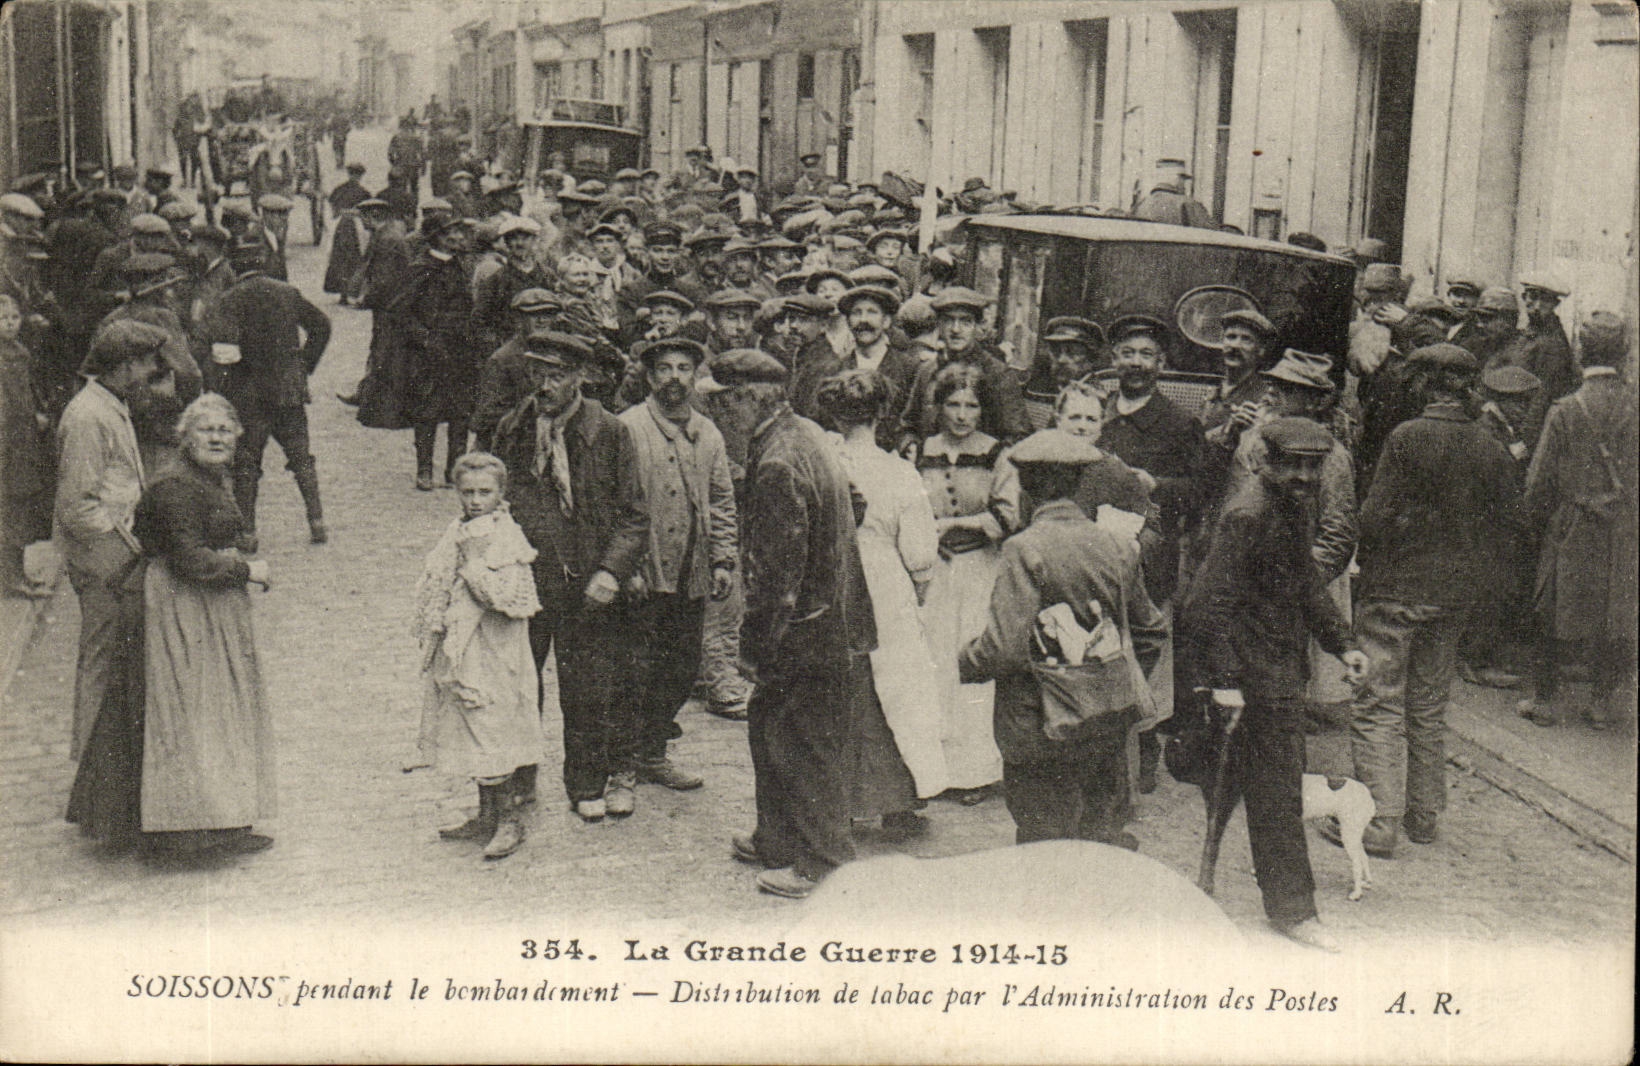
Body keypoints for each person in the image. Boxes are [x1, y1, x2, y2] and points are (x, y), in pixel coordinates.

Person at [1180, 417, 1368, 953]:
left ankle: (1284, 909)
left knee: (1269, 794)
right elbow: (1205, 605)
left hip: (1278, 675)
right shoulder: (1248, 515)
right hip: (1247, 682)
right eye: (1293, 466)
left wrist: (1343, 644)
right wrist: (1224, 681)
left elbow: (1307, 586)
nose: (1304, 477)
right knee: (1259, 793)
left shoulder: (1293, 508)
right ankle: (1284, 910)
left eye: (1313, 467)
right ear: (1266, 463)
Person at [1343, 344, 1520, 857]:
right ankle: (1423, 816)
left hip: (1396, 589)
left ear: (1422, 384)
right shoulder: (1490, 445)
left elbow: (1374, 517)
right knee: (1428, 705)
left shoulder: (1406, 437)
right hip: (1453, 595)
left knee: (1377, 702)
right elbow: (1511, 524)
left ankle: (1379, 822)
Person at [961, 428, 1169, 847]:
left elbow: (1003, 648)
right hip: (1105, 721)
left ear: (1025, 486)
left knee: (1044, 844)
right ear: (1078, 484)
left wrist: (966, 661)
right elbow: (1150, 630)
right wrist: (1108, 676)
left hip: (1038, 722)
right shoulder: (1115, 545)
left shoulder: (1024, 548)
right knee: (1098, 837)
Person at [719, 350, 872, 898]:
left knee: (807, 744)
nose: (720, 414)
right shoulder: (803, 432)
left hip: (805, 632)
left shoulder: (778, 461)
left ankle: (823, 862)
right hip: (831, 619)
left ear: (747, 399)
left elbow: (775, 576)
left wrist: (753, 649)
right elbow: (856, 503)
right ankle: (778, 839)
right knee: (772, 729)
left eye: (724, 402)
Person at [491, 332, 648, 822]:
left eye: (556, 375)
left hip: (588, 587)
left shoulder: (610, 432)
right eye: (537, 373)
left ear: (580, 377)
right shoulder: (514, 428)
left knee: (587, 689)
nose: (545, 385)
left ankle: (586, 784)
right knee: (520, 684)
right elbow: (493, 499)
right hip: (527, 582)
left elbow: (635, 516)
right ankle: (520, 776)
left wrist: (611, 571)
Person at [128, 393, 276, 860]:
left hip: (210, 607)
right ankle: (187, 829)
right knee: (192, 712)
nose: (216, 438)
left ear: (237, 436)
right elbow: (188, 559)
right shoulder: (173, 484)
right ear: (185, 437)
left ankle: (224, 817)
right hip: (183, 606)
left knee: (220, 710)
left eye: (224, 430)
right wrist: (246, 570)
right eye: (205, 429)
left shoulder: (209, 476)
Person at [58, 322, 172, 849]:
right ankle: (92, 775)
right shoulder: (87, 417)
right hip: (104, 561)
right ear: (124, 365)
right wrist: (122, 558)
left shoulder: (110, 405)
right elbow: (78, 507)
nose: (151, 372)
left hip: (115, 556)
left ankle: (104, 777)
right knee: (102, 662)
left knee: (111, 660)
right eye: (146, 362)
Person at [818, 369, 946, 827]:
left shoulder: (822, 462)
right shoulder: (898, 472)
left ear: (834, 415)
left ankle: (840, 797)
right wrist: (919, 590)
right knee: (896, 686)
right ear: (880, 415)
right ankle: (897, 798)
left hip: (832, 580)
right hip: (884, 584)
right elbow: (920, 554)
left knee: (845, 685)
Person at [618, 337, 736, 795]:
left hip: (691, 570)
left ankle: (653, 753)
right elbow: (613, 503)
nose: (674, 378)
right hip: (644, 572)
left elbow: (722, 500)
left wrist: (722, 559)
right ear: (650, 377)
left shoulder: (708, 433)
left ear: (694, 376)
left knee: (680, 668)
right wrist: (626, 567)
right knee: (633, 667)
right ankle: (621, 762)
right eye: (664, 368)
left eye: (684, 368)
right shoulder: (628, 427)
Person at [413, 452, 543, 861]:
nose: (475, 500)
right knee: (469, 724)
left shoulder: (506, 535)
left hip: (495, 646)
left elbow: (504, 596)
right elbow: (438, 575)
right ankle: (486, 814)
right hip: (467, 646)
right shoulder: (460, 528)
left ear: (500, 493)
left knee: (492, 725)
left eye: (484, 492)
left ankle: (509, 819)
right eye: (467, 492)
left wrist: (472, 565)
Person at [1517, 312, 1636, 730]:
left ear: (1582, 351)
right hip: (1625, 527)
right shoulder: (1635, 406)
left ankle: (1544, 701)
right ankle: (1601, 704)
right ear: (1623, 353)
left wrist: (1532, 522)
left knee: (1552, 607)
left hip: (1572, 524)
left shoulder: (1566, 409)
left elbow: (1539, 480)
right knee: (1617, 612)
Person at [918, 363, 1017, 804]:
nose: (961, 415)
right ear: (939, 407)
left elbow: (1007, 515)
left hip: (979, 568)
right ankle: (935, 769)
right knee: (935, 661)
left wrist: (956, 524)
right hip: (936, 570)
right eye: (953, 404)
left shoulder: (998, 455)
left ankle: (976, 772)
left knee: (973, 662)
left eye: (971, 406)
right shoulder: (923, 450)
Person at [207, 241, 332, 549]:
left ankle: (247, 532)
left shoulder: (229, 299)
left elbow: (224, 352)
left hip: (248, 394)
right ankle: (317, 522)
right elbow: (321, 326)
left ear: (234, 265)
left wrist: (225, 389)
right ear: (262, 262)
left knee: (247, 463)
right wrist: (303, 365)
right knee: (301, 457)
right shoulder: (286, 292)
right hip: (288, 391)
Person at [398, 215, 478, 490]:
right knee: (427, 410)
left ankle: (454, 469)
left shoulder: (460, 266)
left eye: (459, 232)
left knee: (460, 411)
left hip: (460, 350)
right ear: (437, 238)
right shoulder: (420, 268)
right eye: (451, 233)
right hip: (428, 353)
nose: (458, 237)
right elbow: (401, 313)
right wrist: (425, 339)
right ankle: (424, 469)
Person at [899, 287, 1030, 448]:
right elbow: (907, 424)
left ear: (977, 326)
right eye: (949, 320)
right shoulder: (928, 371)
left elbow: (1018, 435)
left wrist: (993, 454)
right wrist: (910, 445)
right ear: (938, 325)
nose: (956, 329)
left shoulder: (998, 374)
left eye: (965, 322)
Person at [0, 293, 53, 597]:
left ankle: (16, 572)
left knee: (19, 509)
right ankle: (11, 577)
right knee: (10, 509)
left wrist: (36, 415)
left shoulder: (20, 352)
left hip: (23, 442)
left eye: (14, 317)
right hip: (8, 443)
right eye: (3, 319)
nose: (10, 323)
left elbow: (28, 393)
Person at [323, 163, 372, 304]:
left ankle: (343, 293)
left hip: (341, 226)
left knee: (340, 259)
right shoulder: (364, 193)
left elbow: (333, 210)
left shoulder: (339, 190)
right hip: (355, 227)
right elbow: (367, 214)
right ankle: (351, 292)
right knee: (355, 258)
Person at [1132, 159, 1214, 228]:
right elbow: (1213, 234)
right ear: (1176, 178)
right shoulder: (1187, 204)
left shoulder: (1141, 204)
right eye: (1182, 179)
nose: (1184, 185)